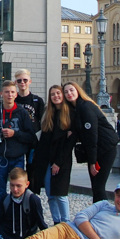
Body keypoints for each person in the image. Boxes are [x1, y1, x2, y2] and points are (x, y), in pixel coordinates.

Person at [64, 81, 119, 204]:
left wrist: (92, 161)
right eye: (66, 92)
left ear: (78, 91)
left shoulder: (85, 107)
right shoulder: (76, 109)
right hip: (97, 149)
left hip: (105, 149)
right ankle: (98, 211)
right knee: (95, 186)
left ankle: (103, 212)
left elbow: (91, 135)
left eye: (71, 90)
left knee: (99, 186)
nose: (69, 93)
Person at [28, 84, 75, 224]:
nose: (56, 96)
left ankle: (65, 223)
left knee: (61, 193)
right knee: (50, 194)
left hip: (61, 160)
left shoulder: (69, 114)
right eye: (53, 94)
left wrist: (58, 162)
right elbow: (44, 139)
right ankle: (56, 221)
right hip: (46, 159)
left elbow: (68, 144)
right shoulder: (49, 114)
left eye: (58, 93)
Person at [0, 80, 36, 207]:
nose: (9, 95)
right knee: (0, 189)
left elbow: (30, 136)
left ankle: (18, 212)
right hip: (2, 157)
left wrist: (14, 133)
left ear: (16, 94)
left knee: (18, 188)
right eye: (6, 92)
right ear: (1, 94)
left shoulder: (22, 113)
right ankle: (1, 214)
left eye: (12, 92)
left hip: (17, 157)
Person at [13, 69, 45, 135]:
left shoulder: (38, 101)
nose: (22, 82)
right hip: (17, 136)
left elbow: (44, 121)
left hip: (33, 136)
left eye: (25, 80)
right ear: (16, 82)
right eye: (19, 81)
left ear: (30, 81)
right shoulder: (13, 100)